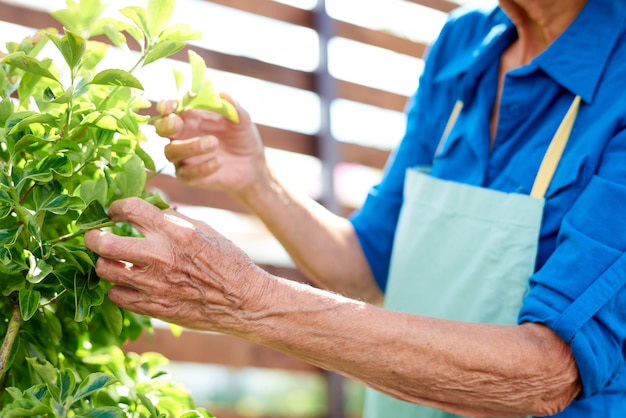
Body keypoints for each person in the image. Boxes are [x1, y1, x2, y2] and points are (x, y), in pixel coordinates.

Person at [84, 0, 626, 416]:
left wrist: (247, 301)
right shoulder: (463, 44)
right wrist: (259, 180)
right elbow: (370, 267)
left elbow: (549, 371)